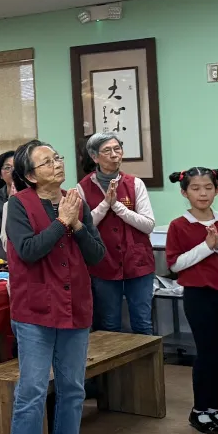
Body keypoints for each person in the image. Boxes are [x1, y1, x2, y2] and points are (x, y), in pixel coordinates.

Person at [4, 140, 105, 434]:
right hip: (36, 310)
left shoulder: (76, 201)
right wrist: (62, 222)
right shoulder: (17, 205)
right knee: (31, 389)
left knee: (73, 388)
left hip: (76, 306)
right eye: (47, 162)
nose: (57, 165)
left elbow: (97, 256)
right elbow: (29, 251)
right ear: (30, 175)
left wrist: (76, 224)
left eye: (57, 158)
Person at [166, 167, 218, 434]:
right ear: (184, 192)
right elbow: (177, 264)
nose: (203, 193)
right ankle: (199, 410)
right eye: (195, 188)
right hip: (198, 295)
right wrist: (206, 247)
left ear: (216, 189)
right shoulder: (179, 225)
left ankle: (213, 409)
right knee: (206, 351)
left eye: (208, 188)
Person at [77, 132, 156, 335]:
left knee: (143, 323)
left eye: (117, 149)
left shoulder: (135, 183)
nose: (114, 155)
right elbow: (84, 227)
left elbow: (148, 225)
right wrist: (105, 205)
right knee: (109, 324)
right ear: (95, 157)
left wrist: (118, 207)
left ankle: (145, 367)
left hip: (137, 262)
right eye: (107, 151)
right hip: (103, 263)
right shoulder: (82, 188)